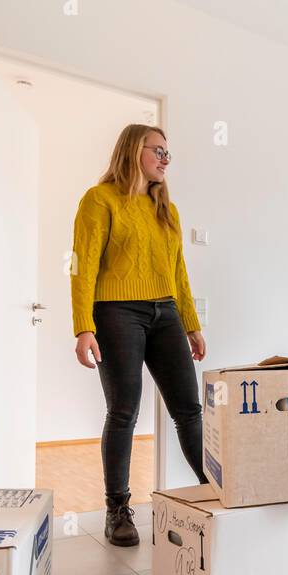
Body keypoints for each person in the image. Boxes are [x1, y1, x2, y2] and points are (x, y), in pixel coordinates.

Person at [70, 125, 207, 545]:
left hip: (165, 311)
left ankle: (215, 487)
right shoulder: (100, 200)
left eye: (169, 153)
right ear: (134, 150)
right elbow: (82, 265)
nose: (166, 159)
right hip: (115, 314)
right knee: (124, 410)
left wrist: (192, 322)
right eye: (158, 150)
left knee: (189, 407)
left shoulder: (167, 209)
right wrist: (83, 327)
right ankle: (117, 510)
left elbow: (178, 272)